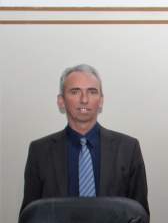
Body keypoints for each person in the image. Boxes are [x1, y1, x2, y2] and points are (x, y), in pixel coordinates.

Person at [21, 64, 149, 214]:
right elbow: (29, 218)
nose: (84, 99)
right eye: (75, 92)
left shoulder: (128, 149)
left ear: (101, 100)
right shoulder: (40, 151)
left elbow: (140, 216)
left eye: (92, 92)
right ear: (61, 101)